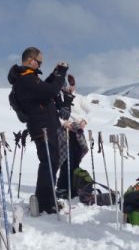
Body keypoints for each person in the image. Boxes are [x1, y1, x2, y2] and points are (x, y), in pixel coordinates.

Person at [7, 47, 68, 214]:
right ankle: (45, 202)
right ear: (30, 60)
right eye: (39, 61)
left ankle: (45, 200)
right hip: (43, 127)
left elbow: (44, 90)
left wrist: (55, 73)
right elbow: (51, 91)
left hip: (44, 125)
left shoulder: (28, 79)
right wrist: (61, 73)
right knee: (49, 162)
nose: (41, 64)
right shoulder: (25, 80)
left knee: (51, 162)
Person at [56, 75, 89, 199]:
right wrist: (63, 123)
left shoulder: (80, 98)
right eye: (67, 85)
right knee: (66, 159)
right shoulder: (59, 97)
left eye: (71, 84)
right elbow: (55, 113)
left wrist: (84, 121)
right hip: (64, 130)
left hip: (77, 130)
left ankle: (73, 185)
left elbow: (91, 111)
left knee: (76, 158)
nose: (69, 87)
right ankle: (62, 186)